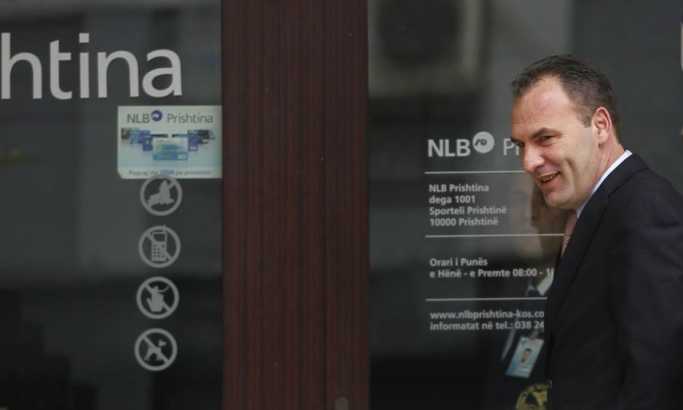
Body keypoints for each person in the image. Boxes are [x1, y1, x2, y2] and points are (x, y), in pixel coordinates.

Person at [509, 55, 683, 409]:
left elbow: (656, 376)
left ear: (600, 126)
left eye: (545, 138)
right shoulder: (593, 210)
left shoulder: (643, 209)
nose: (529, 161)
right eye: (521, 145)